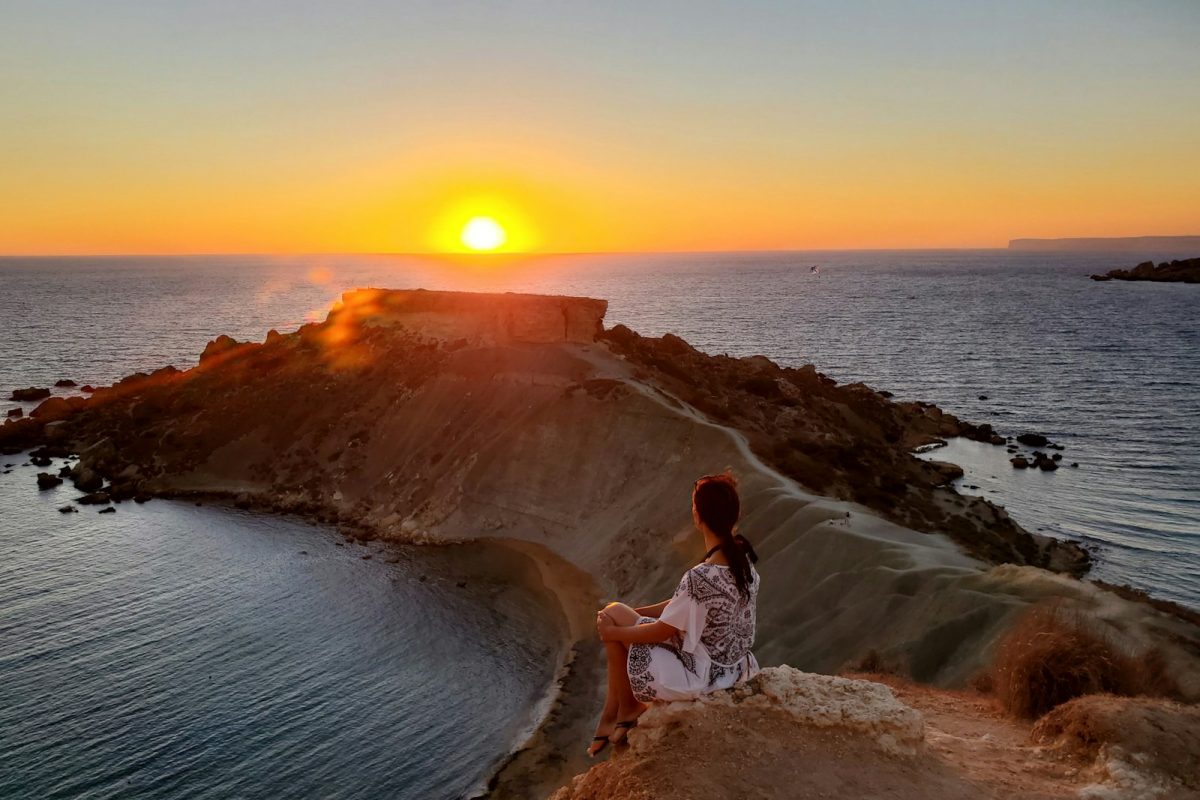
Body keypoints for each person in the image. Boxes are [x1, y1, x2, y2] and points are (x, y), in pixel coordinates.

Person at [587, 471, 760, 756]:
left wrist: (614, 633)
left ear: (698, 517)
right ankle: (620, 710)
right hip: (736, 667)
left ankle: (618, 711)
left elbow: (663, 630)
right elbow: (684, 605)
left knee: (615, 627)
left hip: (704, 675)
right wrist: (630, 614)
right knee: (615, 611)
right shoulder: (743, 562)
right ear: (734, 516)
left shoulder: (700, 576)